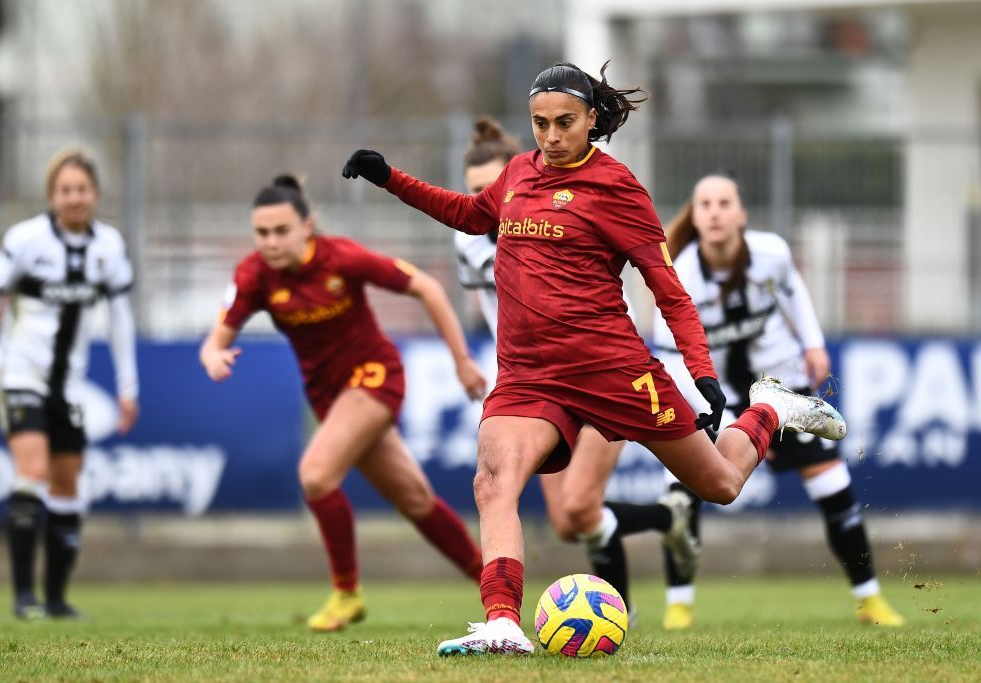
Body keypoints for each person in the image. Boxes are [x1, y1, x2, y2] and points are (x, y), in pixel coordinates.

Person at [343, 61, 847, 656]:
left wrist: (702, 373)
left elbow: (668, 288)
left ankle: (768, 409)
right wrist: (390, 179)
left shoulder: (617, 187)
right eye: (539, 123)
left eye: (564, 122)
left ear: (590, 120)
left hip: (612, 369)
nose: (551, 136)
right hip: (529, 373)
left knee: (719, 483)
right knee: (494, 479)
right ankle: (503, 623)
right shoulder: (516, 174)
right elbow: (466, 214)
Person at [200, 174, 487, 633]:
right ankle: (494, 584)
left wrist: (461, 361)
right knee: (414, 499)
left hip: (375, 378)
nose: (271, 242)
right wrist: (214, 354)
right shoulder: (253, 275)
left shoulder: (342, 257)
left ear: (307, 226)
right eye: (261, 233)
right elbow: (215, 339)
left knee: (315, 475)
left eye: (281, 231)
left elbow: (426, 288)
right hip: (331, 398)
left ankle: (346, 592)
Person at [454, 117, 697, 614]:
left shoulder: (569, 208)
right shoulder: (470, 240)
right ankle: (665, 518)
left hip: (598, 368)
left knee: (581, 502)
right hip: (536, 380)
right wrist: (467, 357)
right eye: (475, 191)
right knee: (567, 521)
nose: (487, 200)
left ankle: (616, 616)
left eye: (490, 187)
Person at [653, 173, 904, 629]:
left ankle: (870, 600)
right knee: (681, 495)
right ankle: (679, 605)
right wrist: (708, 412)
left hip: (785, 392)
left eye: (724, 202)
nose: (714, 211)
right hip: (720, 400)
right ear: (696, 213)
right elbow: (669, 355)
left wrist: (814, 343)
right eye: (704, 203)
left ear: (741, 214)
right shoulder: (679, 273)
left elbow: (796, 298)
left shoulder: (772, 254)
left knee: (834, 488)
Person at [0, 149, 139, 619]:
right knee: (32, 470)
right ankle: (24, 597)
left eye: (82, 189)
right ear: (51, 195)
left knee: (67, 487)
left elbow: (120, 316)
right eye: (65, 190)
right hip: (20, 375)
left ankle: (57, 598)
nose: (74, 198)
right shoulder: (26, 240)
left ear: (95, 195)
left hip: (70, 387)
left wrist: (129, 386)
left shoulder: (109, 247)